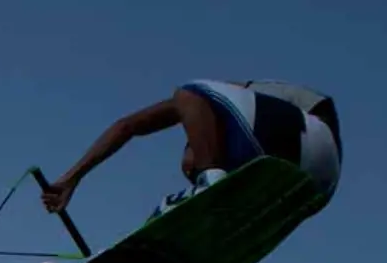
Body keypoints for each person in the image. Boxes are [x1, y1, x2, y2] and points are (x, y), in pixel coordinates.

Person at [40, 81, 342, 225]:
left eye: (193, 169)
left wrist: (74, 176)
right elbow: (124, 127)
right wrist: (72, 178)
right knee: (217, 218)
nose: (188, 172)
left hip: (312, 131)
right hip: (316, 190)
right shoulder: (245, 152)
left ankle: (211, 180)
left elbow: (128, 125)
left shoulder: (220, 107)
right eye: (195, 175)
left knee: (189, 91)